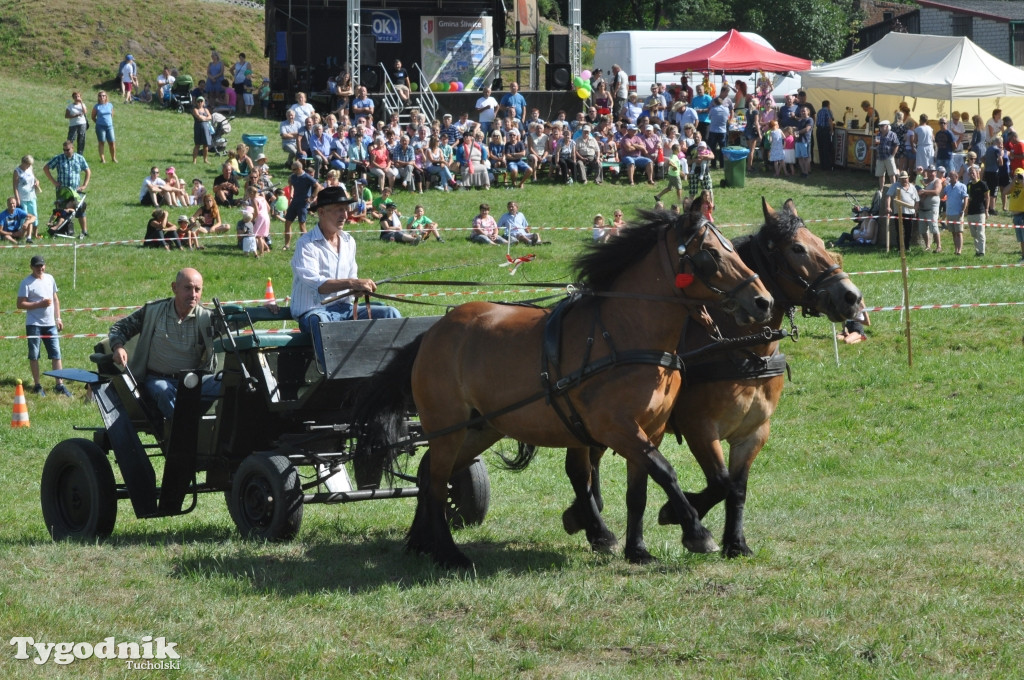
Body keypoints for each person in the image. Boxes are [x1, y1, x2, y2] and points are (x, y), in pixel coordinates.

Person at [290, 186, 402, 364]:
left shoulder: (349, 241)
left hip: (346, 310)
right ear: (321, 212)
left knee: (390, 313)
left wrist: (359, 289)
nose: (344, 215)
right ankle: (334, 373)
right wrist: (352, 283)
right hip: (315, 311)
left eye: (345, 209)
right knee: (322, 322)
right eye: (338, 210)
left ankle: (394, 371)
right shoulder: (306, 244)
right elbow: (318, 284)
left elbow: (352, 282)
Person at [109, 269, 221, 420]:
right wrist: (118, 347)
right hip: (157, 380)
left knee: (226, 382)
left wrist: (263, 310)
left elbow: (238, 319)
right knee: (163, 390)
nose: (193, 294)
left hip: (192, 381)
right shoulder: (154, 311)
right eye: (187, 288)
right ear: (174, 287)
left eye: (197, 289)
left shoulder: (207, 319)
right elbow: (119, 327)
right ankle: (180, 434)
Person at [18, 255, 71, 397]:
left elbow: (55, 299)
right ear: (31, 267)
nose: (40, 268)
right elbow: (20, 303)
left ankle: (59, 385)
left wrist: (58, 318)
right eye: (37, 266)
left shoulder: (50, 278)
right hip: (33, 324)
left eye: (42, 266)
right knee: (34, 355)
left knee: (56, 354)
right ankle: (37, 385)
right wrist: (38, 304)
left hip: (50, 324)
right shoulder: (26, 283)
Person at [43, 140, 90, 238]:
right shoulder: (58, 158)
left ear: (72, 148)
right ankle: (58, 229)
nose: (66, 152)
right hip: (62, 192)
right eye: (64, 150)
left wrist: (84, 185)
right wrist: (54, 182)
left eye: (67, 150)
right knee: (61, 211)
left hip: (75, 192)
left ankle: (84, 231)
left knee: (80, 210)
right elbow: (46, 168)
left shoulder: (79, 158)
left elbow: (88, 171)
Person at [283, 160, 321, 250]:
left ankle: (306, 246)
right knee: (287, 222)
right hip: (294, 202)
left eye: (294, 169)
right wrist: (291, 195)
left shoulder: (307, 177)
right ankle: (287, 245)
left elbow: (317, 186)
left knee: (302, 224)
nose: (293, 171)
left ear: (300, 168)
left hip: (303, 203)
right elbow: (290, 184)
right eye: (292, 170)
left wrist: (312, 198)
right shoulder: (293, 177)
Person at [886, 170, 920, 250]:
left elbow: (917, 200)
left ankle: (907, 248)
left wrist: (915, 210)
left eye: (905, 178)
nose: (904, 180)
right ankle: (900, 248)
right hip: (899, 212)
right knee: (899, 231)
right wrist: (888, 206)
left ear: (908, 178)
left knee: (908, 232)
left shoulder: (912, 187)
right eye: (902, 178)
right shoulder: (895, 186)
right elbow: (888, 196)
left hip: (910, 213)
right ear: (899, 179)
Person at [943, 169, 969, 256]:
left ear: (956, 177)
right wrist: (943, 185)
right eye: (949, 176)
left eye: (951, 176)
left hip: (958, 212)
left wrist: (963, 209)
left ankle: (960, 250)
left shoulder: (962, 186)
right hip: (949, 212)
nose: (950, 178)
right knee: (953, 233)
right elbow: (941, 196)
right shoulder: (947, 187)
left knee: (959, 232)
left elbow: (965, 198)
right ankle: (955, 249)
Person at [965, 164, 989, 256]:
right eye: (970, 173)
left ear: (977, 173)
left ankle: (982, 252)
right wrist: (966, 210)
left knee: (980, 232)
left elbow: (987, 197)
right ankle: (977, 250)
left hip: (980, 211)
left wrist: (986, 210)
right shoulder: (968, 185)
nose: (972, 175)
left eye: (973, 173)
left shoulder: (983, 184)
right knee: (974, 234)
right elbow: (967, 199)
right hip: (971, 213)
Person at [918, 166, 943, 252]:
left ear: (935, 172)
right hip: (922, 208)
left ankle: (939, 246)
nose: (930, 173)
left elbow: (936, 192)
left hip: (932, 209)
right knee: (922, 229)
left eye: (932, 171)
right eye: (929, 171)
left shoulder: (937, 181)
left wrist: (924, 192)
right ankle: (927, 246)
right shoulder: (923, 181)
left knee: (934, 227)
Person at [13, 155, 41, 230]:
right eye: (28, 164)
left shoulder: (30, 168)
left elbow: (34, 178)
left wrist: (37, 182)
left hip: (32, 195)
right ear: (23, 162)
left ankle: (35, 233)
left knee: (34, 214)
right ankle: (23, 232)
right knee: (24, 215)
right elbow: (15, 186)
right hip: (22, 197)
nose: (29, 166)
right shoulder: (17, 171)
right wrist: (17, 198)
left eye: (30, 164)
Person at [89, 91, 117, 163]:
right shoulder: (96, 106)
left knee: (112, 143)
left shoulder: (110, 105)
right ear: (98, 97)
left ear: (106, 97)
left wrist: (108, 122)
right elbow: (93, 117)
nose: (102, 97)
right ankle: (102, 159)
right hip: (100, 127)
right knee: (101, 142)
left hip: (109, 127)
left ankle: (113, 158)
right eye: (100, 96)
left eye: (103, 96)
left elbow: (112, 115)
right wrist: (98, 123)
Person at [873, 120, 899, 190]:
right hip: (880, 157)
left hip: (889, 156)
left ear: (887, 126)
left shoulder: (892, 134)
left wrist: (893, 155)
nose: (880, 128)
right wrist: (875, 143)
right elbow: (876, 144)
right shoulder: (878, 134)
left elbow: (896, 145)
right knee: (881, 175)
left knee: (892, 174)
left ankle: (893, 189)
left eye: (882, 126)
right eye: (880, 126)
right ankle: (881, 189)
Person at [65, 91, 88, 156]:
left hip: (82, 123)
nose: (77, 98)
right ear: (73, 98)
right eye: (75, 97)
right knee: (71, 139)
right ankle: (68, 152)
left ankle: (80, 154)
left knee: (81, 138)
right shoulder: (70, 106)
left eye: (78, 96)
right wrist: (75, 115)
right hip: (73, 124)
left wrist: (81, 102)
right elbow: (66, 116)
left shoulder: (83, 104)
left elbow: (85, 112)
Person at [191, 96, 213, 163]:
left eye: (201, 101)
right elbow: (198, 117)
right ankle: (194, 160)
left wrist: (205, 118)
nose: (200, 103)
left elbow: (210, 117)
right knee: (197, 144)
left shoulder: (206, 110)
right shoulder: (195, 109)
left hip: (206, 128)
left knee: (205, 144)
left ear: (203, 102)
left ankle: (205, 159)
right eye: (198, 101)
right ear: (196, 102)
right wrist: (205, 118)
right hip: (198, 128)